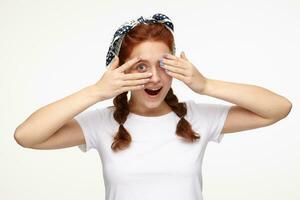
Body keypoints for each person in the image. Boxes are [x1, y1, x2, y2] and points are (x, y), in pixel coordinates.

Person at [14, 13, 292, 200]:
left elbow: (278, 108)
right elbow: (26, 136)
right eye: (141, 67)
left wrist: (205, 85)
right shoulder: (103, 123)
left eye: (163, 64)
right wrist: (96, 92)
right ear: (121, 70)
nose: (155, 78)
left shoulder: (197, 117)